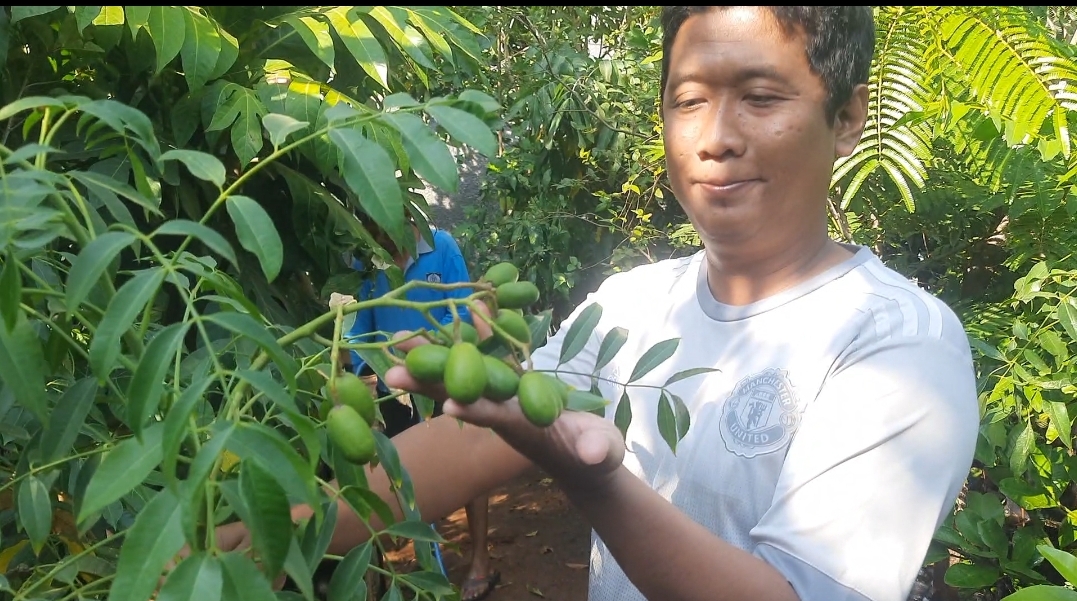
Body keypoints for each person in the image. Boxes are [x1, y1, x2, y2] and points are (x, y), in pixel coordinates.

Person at [205, 7, 979, 600]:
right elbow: (471, 448)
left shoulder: (898, 346)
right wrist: (240, 539)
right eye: (687, 100)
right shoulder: (632, 306)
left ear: (846, 116)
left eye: (759, 96)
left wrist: (591, 479)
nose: (713, 137)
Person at [342, 219, 500, 601]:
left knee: (469, 466)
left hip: (449, 377)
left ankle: (480, 558)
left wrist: (419, 343)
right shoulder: (368, 262)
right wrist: (359, 354)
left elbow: (460, 311)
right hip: (395, 387)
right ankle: (431, 569)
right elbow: (359, 330)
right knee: (409, 479)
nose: (381, 240)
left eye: (384, 229)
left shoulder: (441, 246)